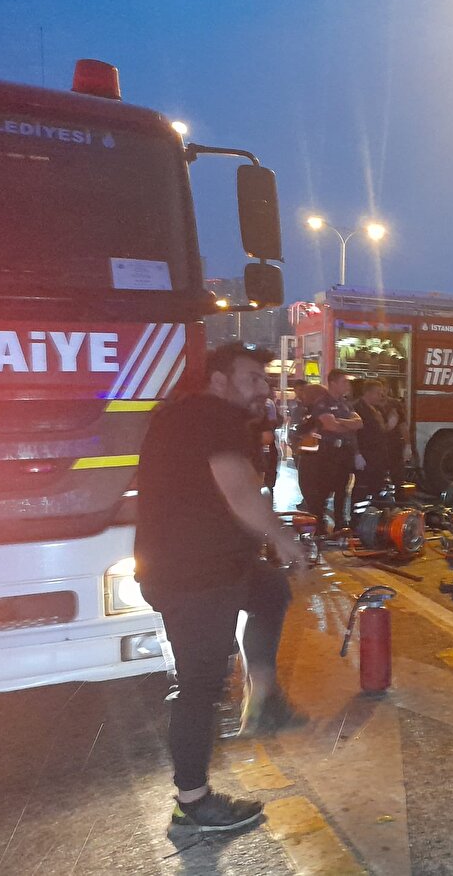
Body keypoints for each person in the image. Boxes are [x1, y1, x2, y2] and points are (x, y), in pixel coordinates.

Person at [134, 343, 308, 833]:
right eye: (252, 377)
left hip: (206, 564)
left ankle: (264, 698)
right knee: (200, 685)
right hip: (196, 576)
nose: (263, 388)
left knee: (270, 590)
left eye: (265, 379)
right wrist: (283, 538)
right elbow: (236, 490)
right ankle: (192, 802)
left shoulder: (186, 415)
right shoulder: (215, 416)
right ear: (220, 380)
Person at [301, 369, 362, 534]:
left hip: (344, 452)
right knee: (324, 490)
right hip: (328, 453)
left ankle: (340, 524)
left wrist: (341, 422)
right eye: (344, 382)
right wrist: (346, 424)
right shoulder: (323, 403)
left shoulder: (345, 403)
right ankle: (319, 526)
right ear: (333, 383)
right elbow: (331, 426)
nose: (347, 385)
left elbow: (359, 423)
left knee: (342, 490)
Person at [352, 379, 391, 503]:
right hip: (366, 455)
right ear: (368, 393)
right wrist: (357, 454)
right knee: (361, 490)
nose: (381, 396)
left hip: (378, 457)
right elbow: (353, 433)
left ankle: (374, 517)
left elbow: (381, 430)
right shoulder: (357, 408)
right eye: (378, 393)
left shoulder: (377, 409)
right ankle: (357, 519)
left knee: (376, 489)